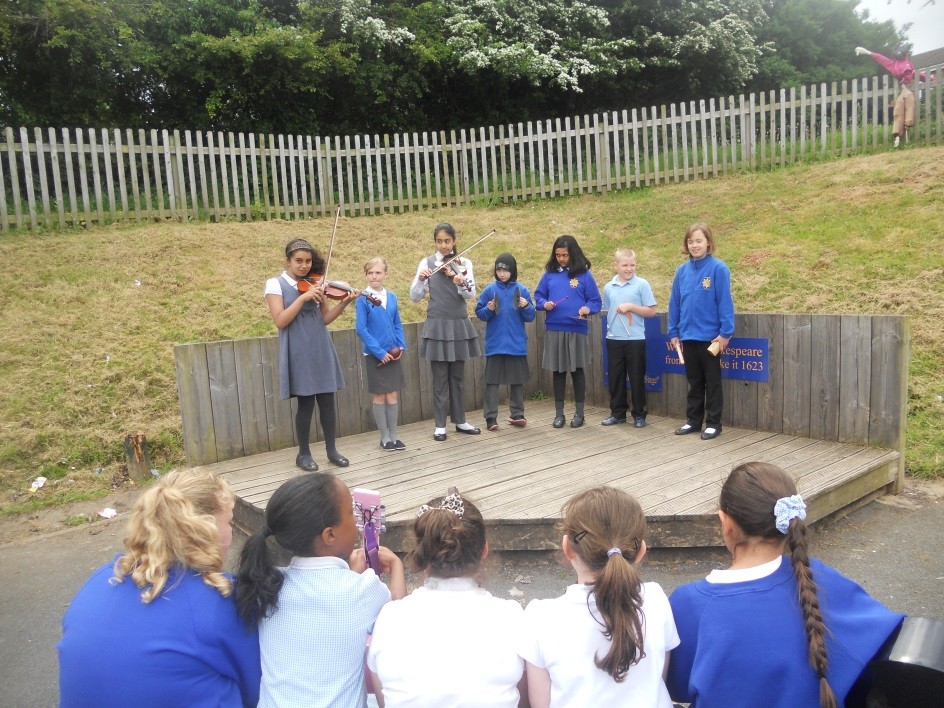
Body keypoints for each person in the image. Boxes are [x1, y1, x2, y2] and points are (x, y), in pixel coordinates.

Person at [666, 462, 905, 708]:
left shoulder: (690, 603)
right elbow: (889, 642)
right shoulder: (819, 578)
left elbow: (678, 686)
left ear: (725, 522)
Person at [58, 470, 261, 708]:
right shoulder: (221, 599)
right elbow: (257, 688)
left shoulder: (99, 581)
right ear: (206, 529)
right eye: (229, 522)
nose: (231, 532)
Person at [236, 473, 406, 708]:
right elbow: (400, 625)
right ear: (330, 535)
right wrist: (397, 567)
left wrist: (349, 575)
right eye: (350, 513)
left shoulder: (267, 584)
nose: (356, 521)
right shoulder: (362, 590)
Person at [520, 486, 679, 708]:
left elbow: (540, 704)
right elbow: (658, 679)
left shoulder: (540, 616)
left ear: (567, 548)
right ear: (641, 550)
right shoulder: (655, 598)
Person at [367, 489, 527, 707]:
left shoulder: (389, 617)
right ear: (484, 550)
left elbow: (385, 700)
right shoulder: (511, 616)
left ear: (421, 553)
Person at [264, 237, 357, 470]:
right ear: (288, 261)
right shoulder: (276, 284)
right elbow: (280, 320)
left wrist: (344, 303)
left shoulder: (316, 283)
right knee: (306, 403)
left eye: (307, 261)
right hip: (298, 348)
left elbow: (325, 319)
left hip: (320, 345)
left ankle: (331, 450)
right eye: (298, 261)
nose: (304, 266)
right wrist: (303, 297)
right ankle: (303, 454)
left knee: (327, 401)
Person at [410, 222, 483, 441]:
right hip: (438, 324)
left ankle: (460, 420)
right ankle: (440, 424)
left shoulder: (464, 262)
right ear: (435, 242)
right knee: (440, 377)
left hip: (458, 323)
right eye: (439, 241)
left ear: (454, 241)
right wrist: (422, 279)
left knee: (457, 377)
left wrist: (461, 282)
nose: (443, 246)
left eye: (447, 241)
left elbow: (470, 295)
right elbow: (414, 297)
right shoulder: (427, 263)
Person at [667, 223, 734, 441]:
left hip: (711, 339)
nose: (694, 245)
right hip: (687, 336)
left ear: (708, 242)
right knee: (694, 382)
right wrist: (673, 331)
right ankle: (693, 421)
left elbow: (725, 303)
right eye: (690, 241)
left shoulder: (718, 269)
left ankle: (713, 423)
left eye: (698, 241)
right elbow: (674, 304)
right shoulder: (681, 271)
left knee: (712, 382)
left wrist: (726, 333)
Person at [534, 235, 602, 429]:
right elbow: (538, 297)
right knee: (558, 372)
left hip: (576, 329)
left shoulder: (585, 275)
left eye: (564, 255)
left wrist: (587, 308)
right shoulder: (549, 274)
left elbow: (595, 301)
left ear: (573, 253)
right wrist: (543, 304)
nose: (561, 258)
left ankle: (579, 414)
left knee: (577, 371)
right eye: (557, 255)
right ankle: (559, 414)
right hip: (555, 328)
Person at [475, 252, 537, 431]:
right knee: (492, 382)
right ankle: (490, 417)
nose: (502, 273)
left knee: (517, 381)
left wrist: (526, 306)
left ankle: (517, 414)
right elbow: (480, 313)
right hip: (495, 344)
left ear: (513, 271)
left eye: (505, 270)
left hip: (516, 344)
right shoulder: (489, 290)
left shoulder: (522, 290)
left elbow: (531, 316)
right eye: (498, 269)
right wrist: (488, 308)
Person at [601, 248, 657, 429]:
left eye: (632, 265)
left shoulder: (642, 284)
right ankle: (617, 413)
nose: (629, 269)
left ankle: (639, 414)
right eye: (625, 265)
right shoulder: (609, 287)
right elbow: (609, 308)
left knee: (636, 377)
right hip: (613, 339)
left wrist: (631, 307)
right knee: (615, 379)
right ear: (615, 265)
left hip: (635, 339)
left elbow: (651, 311)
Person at [355, 256, 407, 451]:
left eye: (378, 272)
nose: (374, 276)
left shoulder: (391, 297)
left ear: (385, 274)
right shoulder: (363, 299)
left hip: (393, 353)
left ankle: (394, 436)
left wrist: (400, 346)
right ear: (366, 275)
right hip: (375, 355)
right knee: (379, 396)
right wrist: (378, 352)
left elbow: (397, 323)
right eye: (370, 273)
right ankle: (384, 437)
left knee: (392, 395)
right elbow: (361, 329)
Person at [892, 77, 916, 148]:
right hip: (898, 119)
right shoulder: (901, 94)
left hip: (902, 120)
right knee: (897, 132)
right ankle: (897, 145)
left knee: (899, 132)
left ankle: (901, 145)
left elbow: (910, 108)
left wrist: (908, 121)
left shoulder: (908, 94)